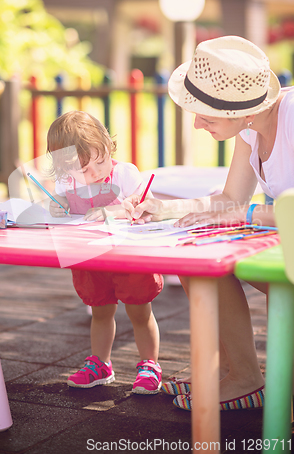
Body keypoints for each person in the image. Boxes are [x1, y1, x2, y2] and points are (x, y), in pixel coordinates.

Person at [123, 35, 294, 410]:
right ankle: (239, 374)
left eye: (206, 114)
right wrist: (164, 209)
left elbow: (241, 209)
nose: (198, 124)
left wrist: (247, 214)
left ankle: (243, 378)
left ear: (242, 109)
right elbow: (230, 199)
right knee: (196, 258)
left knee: (207, 258)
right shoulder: (252, 125)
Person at [46, 110, 163, 394]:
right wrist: (57, 206)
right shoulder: (67, 183)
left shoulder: (124, 173)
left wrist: (120, 208)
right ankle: (101, 363)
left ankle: (150, 364)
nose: (94, 173)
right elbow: (62, 209)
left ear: (108, 147)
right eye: (82, 170)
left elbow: (146, 207)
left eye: (99, 161)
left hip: (128, 256)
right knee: (100, 312)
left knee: (140, 312)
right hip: (90, 258)